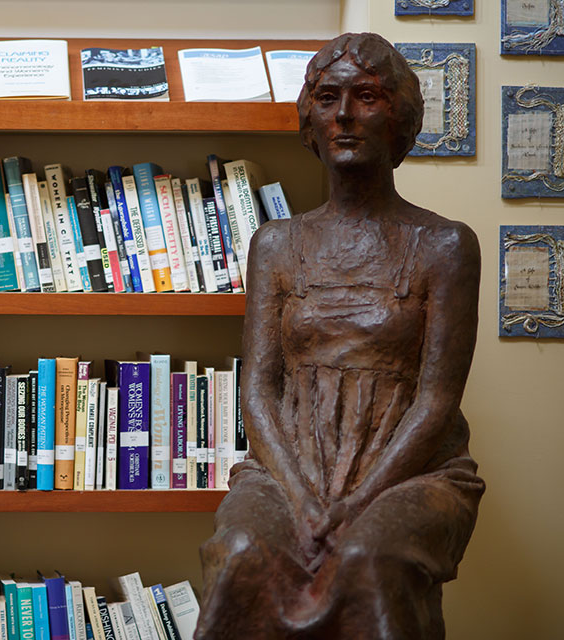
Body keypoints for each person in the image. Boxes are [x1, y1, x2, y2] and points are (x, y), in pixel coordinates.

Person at [196, 33, 485, 639]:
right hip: (288, 466)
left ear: (400, 117)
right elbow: (259, 391)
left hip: (410, 469)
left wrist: (357, 503)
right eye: (327, 98)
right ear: (310, 120)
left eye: (368, 97)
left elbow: (436, 401)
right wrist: (301, 497)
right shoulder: (275, 245)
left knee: (367, 557)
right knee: (246, 549)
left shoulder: (446, 246)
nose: (345, 115)